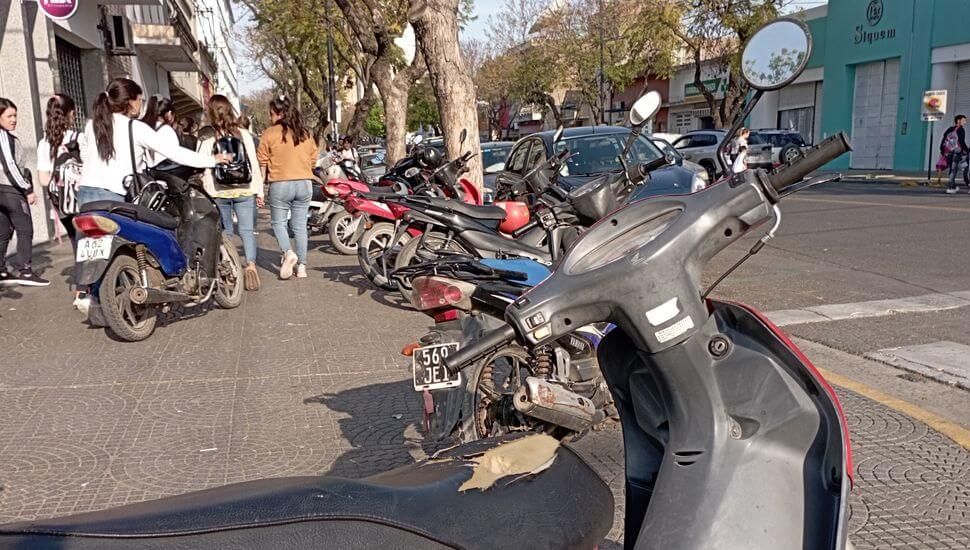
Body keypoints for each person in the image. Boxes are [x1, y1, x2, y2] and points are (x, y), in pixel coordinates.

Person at [78, 78, 231, 206]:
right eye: (139, 99)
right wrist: (212, 160)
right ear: (130, 101)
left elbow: (84, 155)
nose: (141, 103)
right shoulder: (134, 127)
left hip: (85, 193)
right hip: (117, 195)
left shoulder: (92, 125)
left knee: (86, 240)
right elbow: (174, 152)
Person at [199, 95, 264, 291]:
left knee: (226, 232)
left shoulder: (208, 136)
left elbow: (201, 164)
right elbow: (253, 162)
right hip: (244, 188)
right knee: (246, 231)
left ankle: (229, 266)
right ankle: (251, 265)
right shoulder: (243, 134)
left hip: (219, 190)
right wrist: (259, 190)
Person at [256, 95, 318, 280]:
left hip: (280, 184)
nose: (270, 117)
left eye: (271, 114)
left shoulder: (269, 134)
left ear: (279, 113)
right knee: (300, 226)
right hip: (305, 183)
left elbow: (262, 162)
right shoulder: (305, 133)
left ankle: (288, 252)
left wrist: (261, 187)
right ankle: (302, 267)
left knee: (278, 223)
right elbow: (314, 159)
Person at [0, 97, 48, 286]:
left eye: (15, 116)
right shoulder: (3, 136)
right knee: (25, 229)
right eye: (9, 116)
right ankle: (25, 271)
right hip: (10, 190)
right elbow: (10, 166)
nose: (14, 120)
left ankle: (2, 271)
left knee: (3, 232)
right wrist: (27, 189)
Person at [37, 93, 84, 249]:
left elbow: (43, 180)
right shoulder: (79, 138)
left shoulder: (44, 143)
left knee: (74, 239)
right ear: (70, 113)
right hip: (83, 198)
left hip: (61, 201)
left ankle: (81, 270)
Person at [140, 96, 179, 167]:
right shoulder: (167, 130)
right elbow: (176, 156)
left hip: (150, 173)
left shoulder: (145, 128)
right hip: (166, 172)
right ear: (169, 114)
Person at [940, 115, 968, 194]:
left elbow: (944, 139)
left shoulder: (950, 129)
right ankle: (950, 187)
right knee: (954, 170)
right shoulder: (961, 130)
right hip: (956, 152)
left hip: (948, 152)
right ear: (958, 121)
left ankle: (953, 186)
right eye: (963, 120)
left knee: (952, 169)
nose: (965, 122)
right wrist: (966, 150)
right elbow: (961, 142)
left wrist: (942, 150)